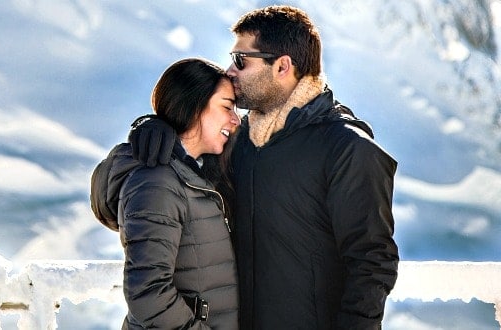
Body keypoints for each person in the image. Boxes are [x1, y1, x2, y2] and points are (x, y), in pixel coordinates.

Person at [127, 5, 399, 330]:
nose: (229, 71)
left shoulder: (347, 148)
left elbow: (373, 262)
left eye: (241, 60)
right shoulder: (237, 143)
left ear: (282, 66)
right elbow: (149, 200)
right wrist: (155, 127)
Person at [90, 57, 241, 329]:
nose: (235, 119)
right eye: (227, 107)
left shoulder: (200, 176)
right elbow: (147, 294)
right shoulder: (157, 181)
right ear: (195, 106)